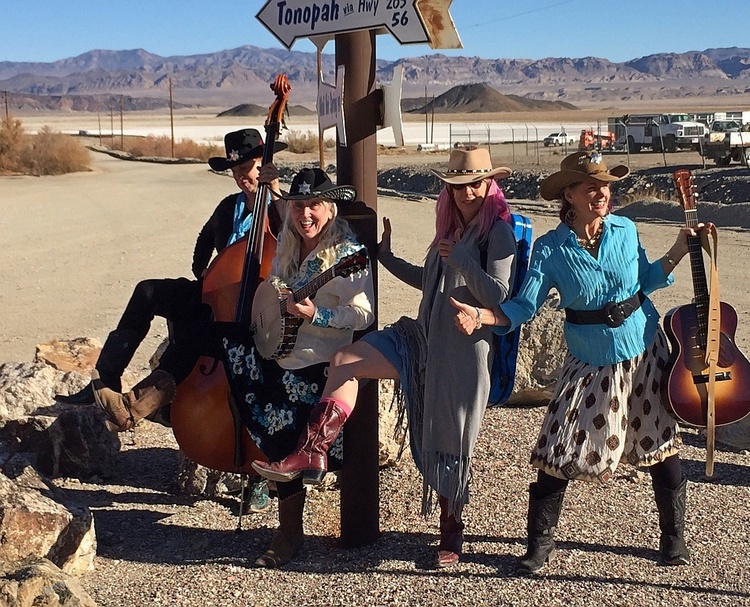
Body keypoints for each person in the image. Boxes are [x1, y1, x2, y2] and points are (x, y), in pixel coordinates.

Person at [91, 167, 375, 568]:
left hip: (313, 365)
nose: (304, 214)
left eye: (313, 205)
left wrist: (318, 314)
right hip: (274, 347)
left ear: (329, 208)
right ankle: (134, 407)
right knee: (200, 334)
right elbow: (272, 285)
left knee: (282, 433)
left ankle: (289, 533)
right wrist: (271, 307)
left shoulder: (349, 255)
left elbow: (363, 314)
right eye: (298, 206)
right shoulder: (290, 242)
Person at [253, 147, 518, 568]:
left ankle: (451, 532)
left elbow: (498, 295)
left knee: (449, 442)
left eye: (475, 185)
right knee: (346, 359)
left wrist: (463, 258)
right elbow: (431, 281)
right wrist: (388, 257)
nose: (466, 193)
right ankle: (312, 450)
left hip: (462, 354)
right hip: (422, 337)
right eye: (458, 186)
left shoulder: (497, 233)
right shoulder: (452, 228)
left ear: (489, 186)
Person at [450, 150, 706, 573]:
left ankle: (673, 537)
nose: (602, 193)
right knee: (558, 448)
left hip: (644, 351)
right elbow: (524, 306)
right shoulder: (551, 249)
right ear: (569, 194)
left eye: (605, 185)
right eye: (591, 186)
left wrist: (679, 249)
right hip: (589, 360)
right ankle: (540, 543)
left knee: (661, 446)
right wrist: (483, 317)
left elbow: (644, 281)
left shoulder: (625, 229)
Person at [57, 128, 286, 512]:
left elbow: (295, 241)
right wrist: (206, 274)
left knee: (232, 362)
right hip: (218, 299)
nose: (242, 176)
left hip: (262, 316)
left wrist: (275, 193)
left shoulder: (282, 208)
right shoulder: (229, 208)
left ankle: (257, 475)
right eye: (235, 170)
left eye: (248, 168)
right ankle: (106, 381)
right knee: (149, 291)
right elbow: (203, 242)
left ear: (264, 164)